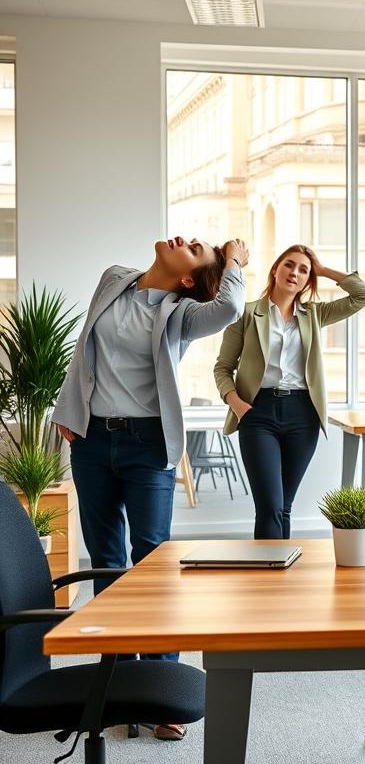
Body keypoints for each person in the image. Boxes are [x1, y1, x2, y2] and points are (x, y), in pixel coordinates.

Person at [52, 234, 248, 740]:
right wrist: (66, 409)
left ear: (188, 278)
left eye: (197, 248)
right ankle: (116, 682)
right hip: (93, 439)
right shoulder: (112, 279)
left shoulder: (182, 314)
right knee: (106, 559)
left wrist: (233, 261)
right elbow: (83, 353)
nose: (186, 238)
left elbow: (228, 308)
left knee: (152, 558)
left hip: (147, 444)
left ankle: (162, 689)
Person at [214, 245, 365, 540]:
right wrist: (236, 403)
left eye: (304, 270)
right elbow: (222, 368)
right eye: (289, 265)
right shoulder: (246, 314)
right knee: (270, 506)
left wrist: (323, 269)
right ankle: (266, 577)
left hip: (303, 414)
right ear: (275, 269)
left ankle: (279, 577)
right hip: (257, 412)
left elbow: (364, 295)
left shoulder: (314, 314)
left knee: (284, 507)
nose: (295, 273)